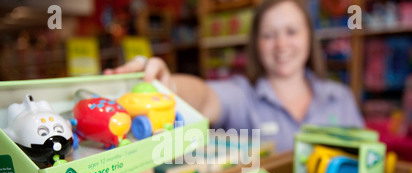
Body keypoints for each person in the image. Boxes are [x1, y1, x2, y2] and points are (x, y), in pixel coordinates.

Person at [104, 0, 365, 153]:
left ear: (309, 36)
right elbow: (205, 97)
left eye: (292, 31)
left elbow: (366, 158)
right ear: (255, 44)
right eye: (268, 35)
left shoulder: (339, 97)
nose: (281, 44)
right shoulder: (242, 95)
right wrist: (167, 84)